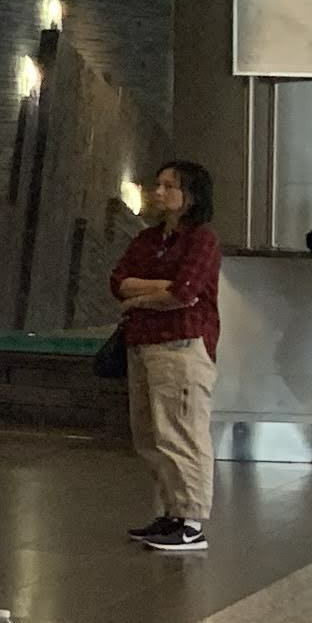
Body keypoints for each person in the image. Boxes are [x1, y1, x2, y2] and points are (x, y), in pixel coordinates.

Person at [112, 159, 220, 555]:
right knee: (150, 435)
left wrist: (139, 298)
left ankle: (191, 522)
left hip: (181, 345)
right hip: (143, 344)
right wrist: (156, 289)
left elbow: (185, 292)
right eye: (157, 184)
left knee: (182, 433)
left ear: (190, 195)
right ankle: (171, 513)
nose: (159, 192)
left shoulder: (202, 240)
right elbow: (118, 281)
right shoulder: (148, 239)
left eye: (169, 186)